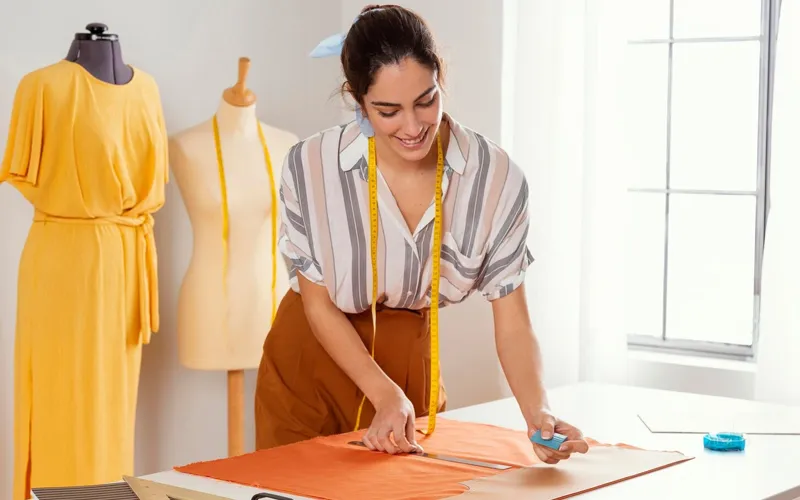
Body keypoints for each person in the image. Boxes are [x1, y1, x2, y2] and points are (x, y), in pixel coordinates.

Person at [254, 3, 589, 465]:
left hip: (411, 358)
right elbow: (317, 303)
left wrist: (539, 414)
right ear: (357, 99)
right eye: (387, 111)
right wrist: (383, 394)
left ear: (441, 77)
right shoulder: (309, 167)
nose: (412, 127)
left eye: (426, 100)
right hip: (311, 358)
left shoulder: (494, 179)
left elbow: (513, 320)